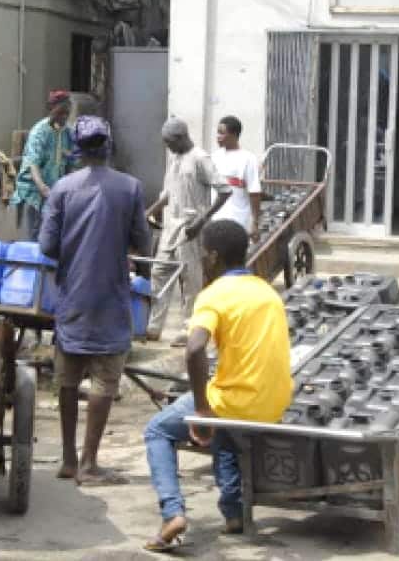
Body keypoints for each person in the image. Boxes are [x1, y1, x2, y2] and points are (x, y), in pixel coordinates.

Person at [142, 220, 292, 551]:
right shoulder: (267, 291)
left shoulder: (214, 295)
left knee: (157, 430)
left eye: (203, 255)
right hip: (274, 402)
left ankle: (172, 513)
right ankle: (234, 513)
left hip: (236, 404)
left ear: (212, 257)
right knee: (223, 427)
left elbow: (194, 348)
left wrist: (200, 408)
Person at [38, 116, 151, 486]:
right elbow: (143, 242)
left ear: (77, 150)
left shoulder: (61, 189)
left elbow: (47, 247)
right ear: (108, 146)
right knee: (105, 380)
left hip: (73, 296)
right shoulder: (130, 188)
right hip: (111, 297)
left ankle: (69, 460)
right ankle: (90, 463)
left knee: (68, 379)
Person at [145, 118, 231, 345]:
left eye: (170, 142)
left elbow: (224, 191)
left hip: (190, 226)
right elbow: (167, 193)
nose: (168, 147)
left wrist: (202, 221)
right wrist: (149, 212)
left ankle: (189, 328)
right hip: (170, 226)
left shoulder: (200, 159)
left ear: (181, 138)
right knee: (159, 272)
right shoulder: (174, 158)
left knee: (189, 278)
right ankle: (153, 327)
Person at [11, 90, 78, 241]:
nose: (64, 117)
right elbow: (32, 162)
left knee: (52, 236)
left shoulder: (68, 133)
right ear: (50, 109)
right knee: (34, 236)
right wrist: (42, 187)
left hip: (55, 191)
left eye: (67, 114)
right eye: (60, 113)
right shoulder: (39, 132)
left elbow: (71, 162)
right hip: (35, 192)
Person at [211, 115, 261, 239]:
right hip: (215, 219)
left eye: (222, 133)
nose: (218, 136)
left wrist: (255, 223)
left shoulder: (248, 159)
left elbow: (254, 192)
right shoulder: (214, 157)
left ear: (233, 135)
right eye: (217, 132)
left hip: (238, 221)